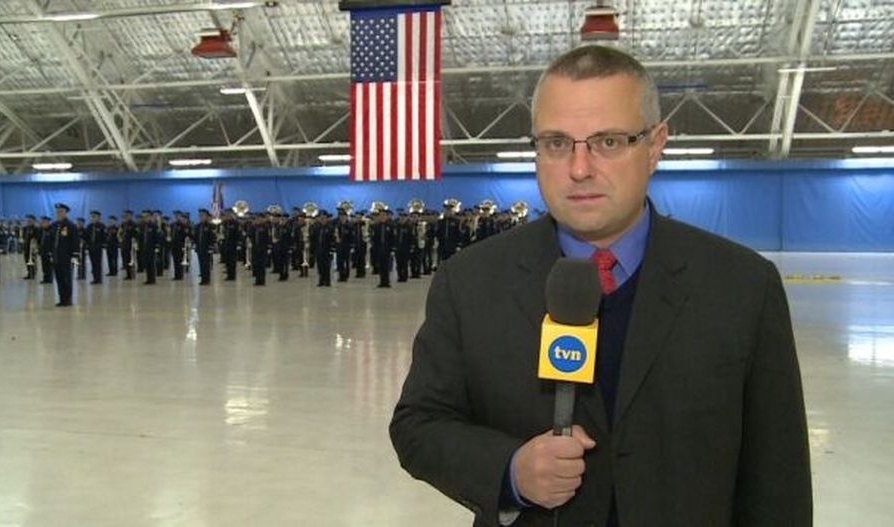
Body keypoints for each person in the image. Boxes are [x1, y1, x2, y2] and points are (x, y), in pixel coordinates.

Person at [390, 45, 812, 527]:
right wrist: (509, 471)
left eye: (608, 142)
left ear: (655, 146)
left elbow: (778, 481)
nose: (579, 168)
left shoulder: (743, 288)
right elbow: (419, 425)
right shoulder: (469, 282)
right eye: (556, 143)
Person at [49, 203, 79, 306]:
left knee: (67, 279)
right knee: (59, 279)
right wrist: (50, 253)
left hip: (66, 257)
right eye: (57, 212)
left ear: (66, 213)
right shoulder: (54, 225)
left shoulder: (70, 225)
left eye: (61, 211)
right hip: (56, 257)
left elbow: (75, 241)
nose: (59, 213)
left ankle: (68, 299)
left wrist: (75, 255)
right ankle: (62, 299)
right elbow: (51, 240)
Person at [371, 209, 394, 288]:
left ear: (387, 216)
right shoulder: (376, 226)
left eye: (384, 215)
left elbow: (392, 238)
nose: (382, 217)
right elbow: (374, 238)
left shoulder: (390, 226)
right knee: (380, 266)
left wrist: (392, 248)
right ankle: (381, 281)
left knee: (386, 265)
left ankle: (386, 281)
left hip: (387, 248)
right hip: (379, 248)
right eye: (381, 215)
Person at [311, 211, 335, 287]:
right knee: (320, 266)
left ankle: (327, 281)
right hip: (319, 250)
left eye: (324, 218)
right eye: (321, 218)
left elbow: (333, 240)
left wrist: (332, 249)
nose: (322, 220)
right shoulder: (316, 228)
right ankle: (321, 280)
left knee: (327, 266)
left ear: (327, 219)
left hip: (327, 250)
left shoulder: (330, 228)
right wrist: (313, 249)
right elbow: (313, 239)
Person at [193, 209, 216, 285]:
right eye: (200, 215)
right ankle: (203, 278)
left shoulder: (210, 226)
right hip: (199, 248)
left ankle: (206, 279)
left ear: (206, 216)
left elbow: (213, 237)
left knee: (206, 264)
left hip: (207, 248)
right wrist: (194, 243)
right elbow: (195, 237)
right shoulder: (197, 226)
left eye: (202, 215)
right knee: (201, 264)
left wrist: (211, 247)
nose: (201, 217)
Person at [86, 210, 106, 284]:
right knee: (93, 263)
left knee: (98, 263)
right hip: (91, 247)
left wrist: (102, 244)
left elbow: (104, 237)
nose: (92, 218)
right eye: (92, 217)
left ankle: (99, 279)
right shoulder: (89, 226)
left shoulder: (102, 226)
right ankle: (95, 278)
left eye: (94, 217)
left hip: (98, 248)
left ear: (98, 217)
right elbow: (86, 236)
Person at [120, 210, 137, 280]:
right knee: (126, 259)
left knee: (131, 260)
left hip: (131, 244)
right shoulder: (123, 224)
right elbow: (121, 233)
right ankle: (128, 274)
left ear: (131, 216)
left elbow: (135, 235)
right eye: (125, 215)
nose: (126, 217)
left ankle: (132, 274)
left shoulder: (133, 224)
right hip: (124, 244)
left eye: (128, 215)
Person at [22, 214, 39, 280]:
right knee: (26, 260)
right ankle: (29, 273)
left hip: (32, 247)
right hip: (26, 246)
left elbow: (37, 238)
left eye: (30, 220)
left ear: (33, 221)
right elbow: (23, 237)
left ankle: (33, 273)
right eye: (27, 220)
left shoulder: (36, 229)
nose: (28, 221)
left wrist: (36, 246)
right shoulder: (25, 228)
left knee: (33, 260)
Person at [38, 216, 53, 284]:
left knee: (49, 266)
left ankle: (49, 279)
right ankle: (45, 278)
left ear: (48, 222)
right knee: (44, 265)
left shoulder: (51, 230)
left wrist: (52, 251)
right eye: (42, 222)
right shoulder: (41, 230)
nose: (42, 223)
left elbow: (53, 241)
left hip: (49, 251)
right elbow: (39, 240)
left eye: (44, 222)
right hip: (42, 251)